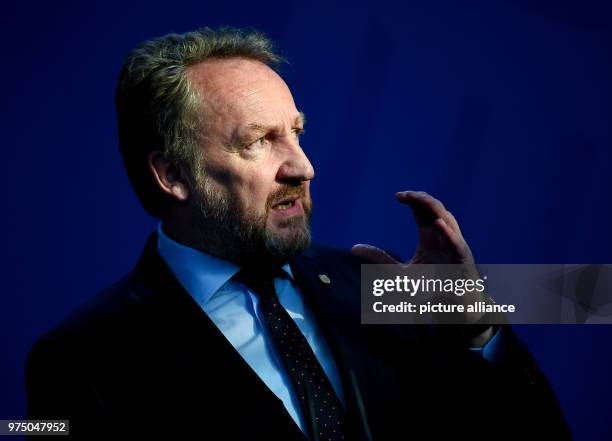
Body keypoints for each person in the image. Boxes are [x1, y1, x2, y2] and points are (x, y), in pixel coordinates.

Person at [24, 27, 571, 440]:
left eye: (297, 133)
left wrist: (474, 325)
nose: (303, 167)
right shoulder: (83, 358)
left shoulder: (377, 286)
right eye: (259, 140)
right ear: (171, 175)